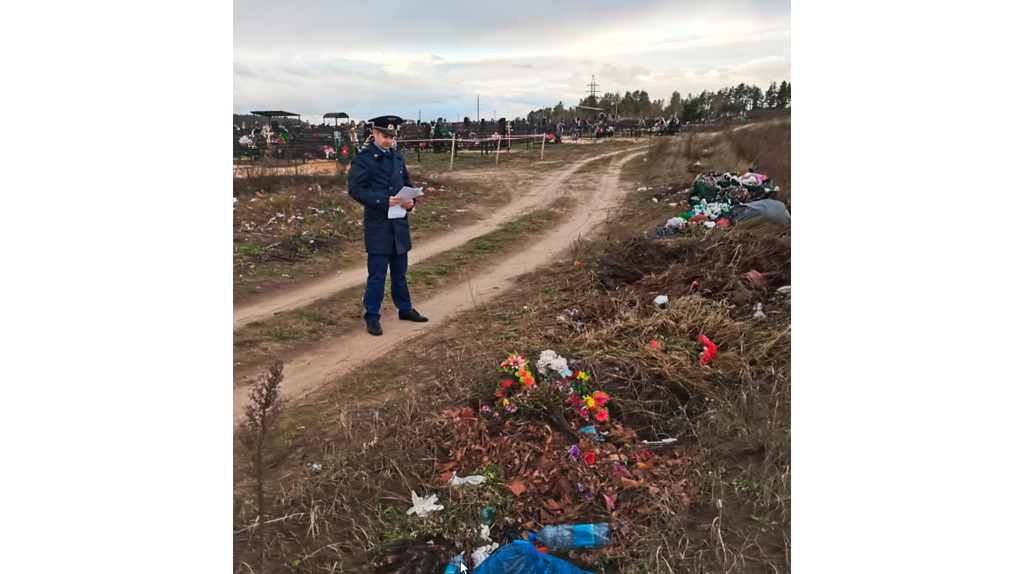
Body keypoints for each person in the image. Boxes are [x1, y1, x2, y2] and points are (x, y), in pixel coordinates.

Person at [347, 115, 428, 336]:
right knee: (377, 275)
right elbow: (355, 190)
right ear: (374, 134)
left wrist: (411, 203)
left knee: (400, 273)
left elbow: (407, 186)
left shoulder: (397, 159)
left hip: (399, 224)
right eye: (385, 136)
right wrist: (382, 200)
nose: (389, 140)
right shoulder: (364, 159)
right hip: (379, 225)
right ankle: (372, 317)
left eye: (392, 136)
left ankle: (405, 308)